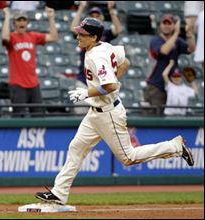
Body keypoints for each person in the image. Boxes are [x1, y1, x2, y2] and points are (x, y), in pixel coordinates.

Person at [35, 18, 194, 205]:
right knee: (76, 148)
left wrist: (87, 92)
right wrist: (109, 81)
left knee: (128, 157)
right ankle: (59, 193)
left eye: (82, 34)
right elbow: (125, 63)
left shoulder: (96, 55)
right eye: (78, 32)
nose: (78, 36)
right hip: (95, 113)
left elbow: (109, 85)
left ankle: (174, 147)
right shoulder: (105, 46)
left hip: (108, 113)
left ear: (94, 37)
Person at [1, 7, 58, 116]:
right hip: (17, 84)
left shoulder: (32, 36)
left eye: (24, 20)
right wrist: (7, 17)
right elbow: (4, 37)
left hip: (33, 84)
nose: (22, 22)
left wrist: (51, 18)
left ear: (27, 23)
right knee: (19, 117)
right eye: (19, 20)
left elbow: (54, 37)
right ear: (14, 23)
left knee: (39, 116)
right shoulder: (12, 37)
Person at [144, 14, 196, 115]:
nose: (167, 26)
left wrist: (188, 33)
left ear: (173, 26)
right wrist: (176, 33)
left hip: (172, 87)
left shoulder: (177, 41)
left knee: (172, 117)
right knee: (156, 118)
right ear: (160, 26)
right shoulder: (155, 40)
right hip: (156, 87)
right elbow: (164, 50)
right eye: (164, 23)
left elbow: (191, 49)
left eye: (169, 23)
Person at [70, 1, 122, 85]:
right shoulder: (84, 33)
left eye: (97, 16)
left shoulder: (105, 33)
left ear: (102, 18)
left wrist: (111, 11)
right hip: (84, 77)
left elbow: (118, 30)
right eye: (92, 16)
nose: (95, 18)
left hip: (101, 77)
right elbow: (73, 29)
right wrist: (81, 8)